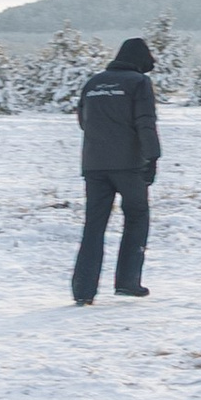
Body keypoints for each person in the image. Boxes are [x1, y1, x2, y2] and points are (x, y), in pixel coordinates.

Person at [72, 33, 160, 304]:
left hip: (94, 166)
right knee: (136, 217)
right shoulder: (139, 83)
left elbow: (83, 121)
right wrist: (152, 158)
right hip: (129, 166)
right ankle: (127, 281)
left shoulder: (93, 82)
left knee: (94, 226)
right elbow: (145, 122)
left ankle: (83, 291)